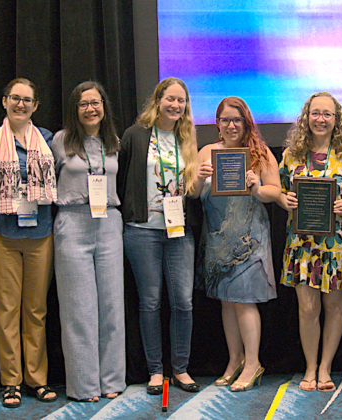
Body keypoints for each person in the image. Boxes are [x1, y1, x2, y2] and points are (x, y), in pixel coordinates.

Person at [0, 78, 57, 408]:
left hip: (40, 235)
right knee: (6, 311)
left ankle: (37, 378)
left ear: (35, 106)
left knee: (36, 310)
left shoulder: (48, 140)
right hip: (1, 235)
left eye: (27, 100)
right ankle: (11, 382)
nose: (21, 104)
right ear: (4, 101)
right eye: (15, 98)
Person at [119, 78, 201, 394]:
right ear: (158, 100)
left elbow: (192, 190)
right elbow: (122, 178)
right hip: (142, 231)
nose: (175, 105)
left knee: (183, 302)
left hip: (179, 231)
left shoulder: (187, 138)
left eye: (181, 101)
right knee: (150, 301)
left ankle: (180, 368)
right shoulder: (135, 135)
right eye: (170, 99)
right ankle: (155, 370)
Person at [196, 97, 280, 392]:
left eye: (237, 120)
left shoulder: (259, 153)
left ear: (246, 123)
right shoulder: (207, 152)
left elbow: (275, 192)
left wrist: (257, 187)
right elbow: (191, 192)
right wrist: (199, 178)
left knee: (244, 300)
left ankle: (253, 363)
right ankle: (235, 360)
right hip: (218, 238)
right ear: (217, 123)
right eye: (225, 120)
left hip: (249, 239)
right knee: (226, 301)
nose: (231, 125)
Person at [277, 92, 342, 392]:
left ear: (336, 120)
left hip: (336, 244)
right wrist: (284, 200)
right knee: (308, 309)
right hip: (302, 245)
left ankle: (325, 368)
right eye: (315, 113)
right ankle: (310, 367)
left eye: (327, 114)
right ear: (306, 117)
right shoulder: (290, 156)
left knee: (334, 307)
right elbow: (280, 192)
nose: (320, 119)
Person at [52, 81, 126, 402]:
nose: (90, 109)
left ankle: (112, 380)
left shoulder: (114, 142)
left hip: (108, 222)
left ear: (104, 107)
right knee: (78, 307)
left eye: (96, 103)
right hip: (73, 222)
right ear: (75, 109)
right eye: (83, 104)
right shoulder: (60, 141)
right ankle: (84, 385)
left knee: (111, 305)